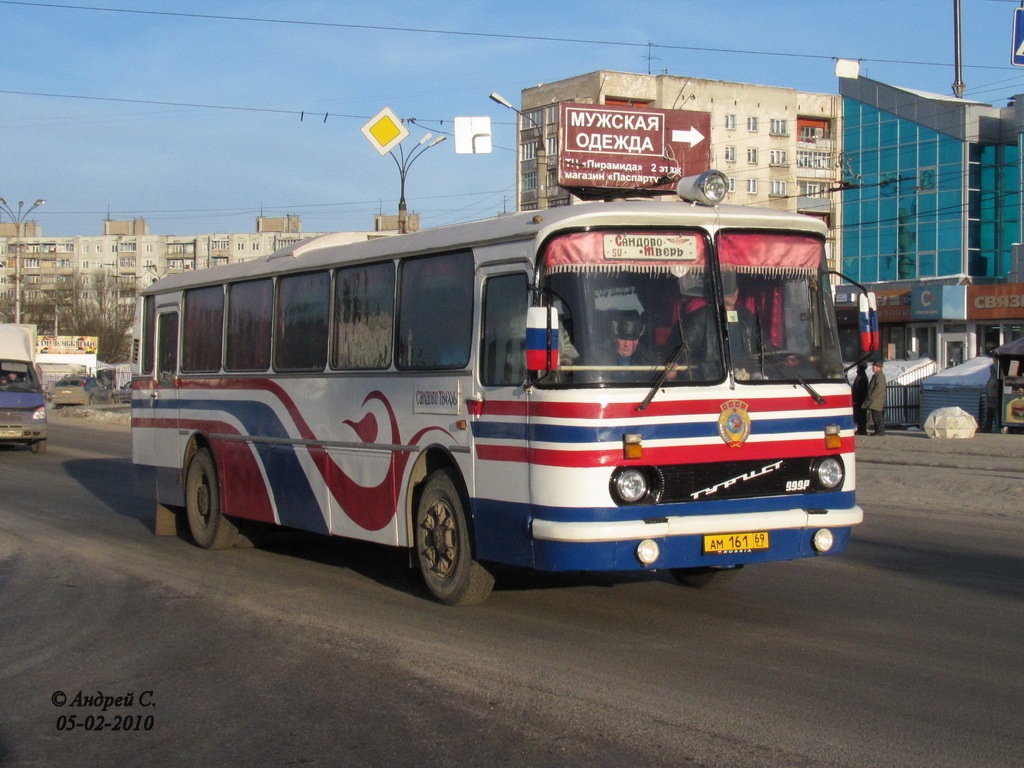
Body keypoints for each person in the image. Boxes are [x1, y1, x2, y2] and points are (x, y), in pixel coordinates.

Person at [683, 271, 759, 378]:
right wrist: (676, 365)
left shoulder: (746, 316)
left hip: (745, 373)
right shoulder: (703, 316)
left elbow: (761, 341)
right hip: (715, 377)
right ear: (719, 291)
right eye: (730, 289)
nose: (734, 293)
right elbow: (687, 347)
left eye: (736, 289)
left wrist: (785, 356)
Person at [864, 360, 887, 436]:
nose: (873, 368)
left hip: (877, 400)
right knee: (875, 416)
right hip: (875, 400)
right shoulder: (877, 375)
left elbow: (879, 388)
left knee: (877, 416)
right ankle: (878, 431)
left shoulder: (880, 376)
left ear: (879, 367)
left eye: (874, 366)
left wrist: (872, 396)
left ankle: (880, 431)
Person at [852, 362, 869, 435]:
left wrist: (855, 398)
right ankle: (861, 429)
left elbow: (858, 388)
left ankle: (862, 429)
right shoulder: (862, 375)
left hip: (860, 399)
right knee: (860, 414)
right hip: (861, 398)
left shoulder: (861, 376)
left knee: (860, 414)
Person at [982, 364, 999, 433]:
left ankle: (994, 428)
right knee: (989, 415)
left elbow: (997, 389)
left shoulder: (995, 378)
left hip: (994, 400)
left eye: (991, 369)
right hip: (990, 400)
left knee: (993, 415)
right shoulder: (991, 377)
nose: (990, 371)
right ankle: (987, 428)